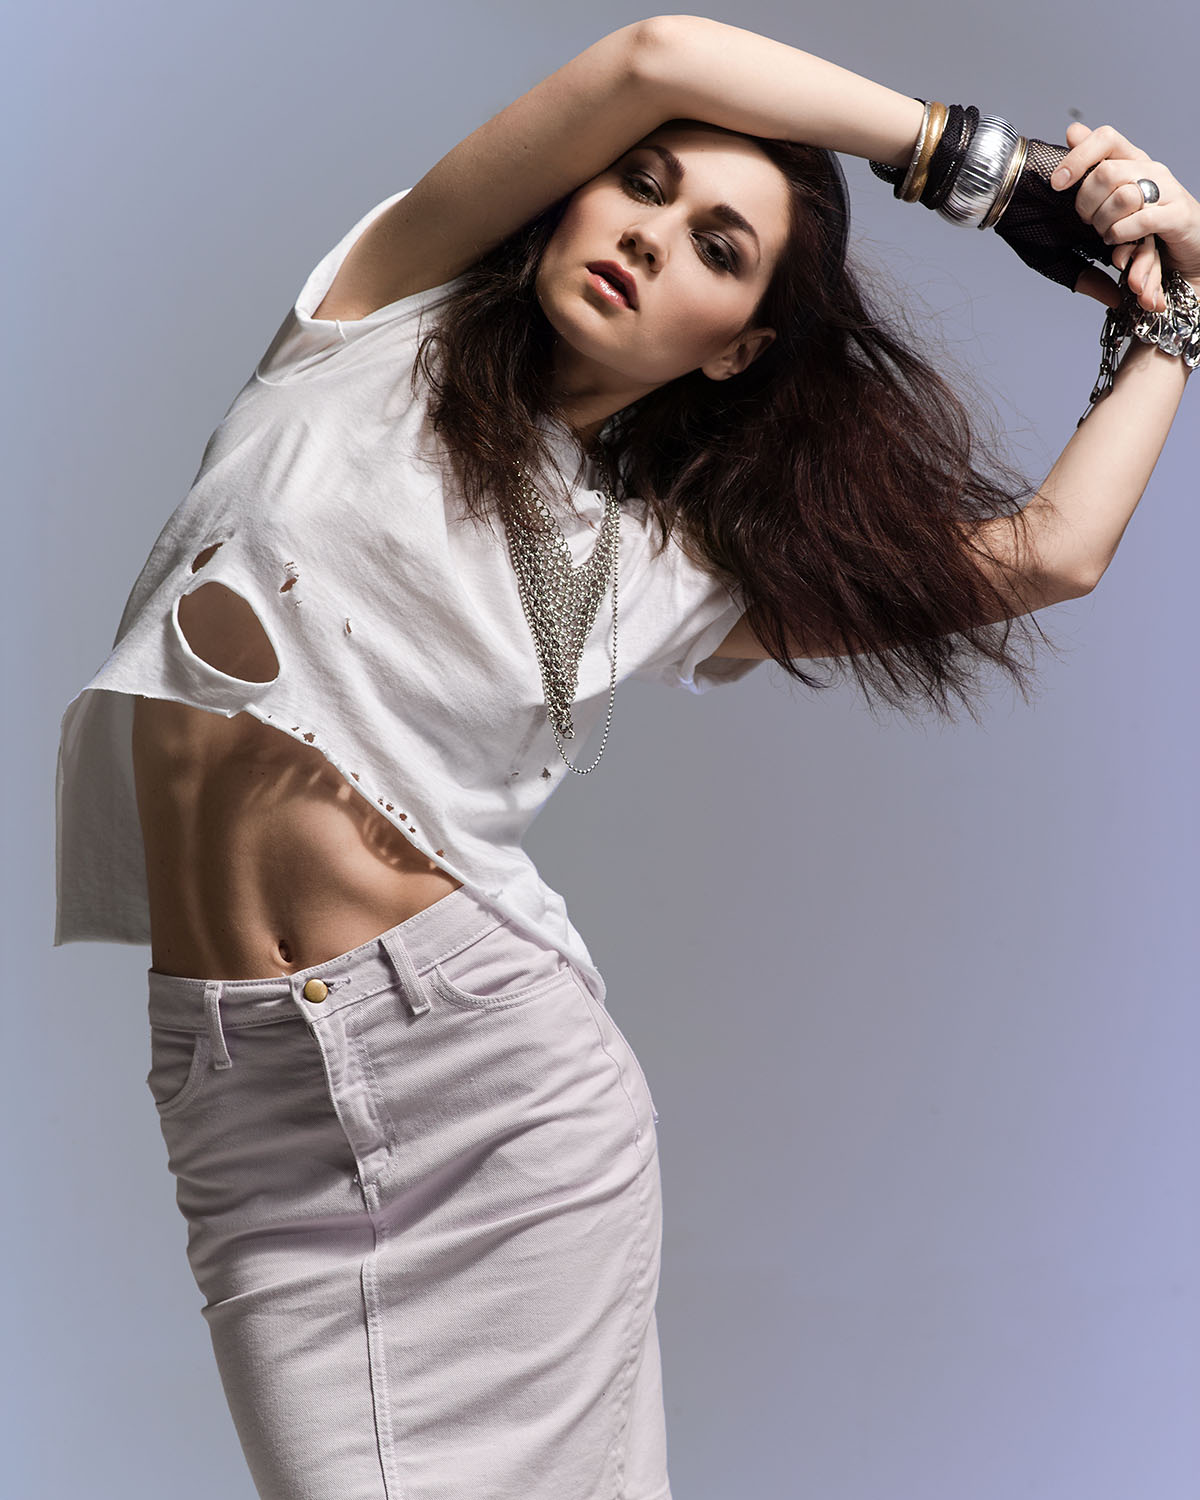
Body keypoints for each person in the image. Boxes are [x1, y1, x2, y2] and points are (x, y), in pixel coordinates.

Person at [52, 15, 1198, 1500]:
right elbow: (655, 52)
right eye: (642, 188)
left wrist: (1175, 315)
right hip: (240, 1100)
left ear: (741, 348)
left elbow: (1054, 553)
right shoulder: (374, 313)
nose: (652, 237)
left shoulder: (667, 568)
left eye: (719, 249)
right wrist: (973, 164)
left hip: (490, 1088)